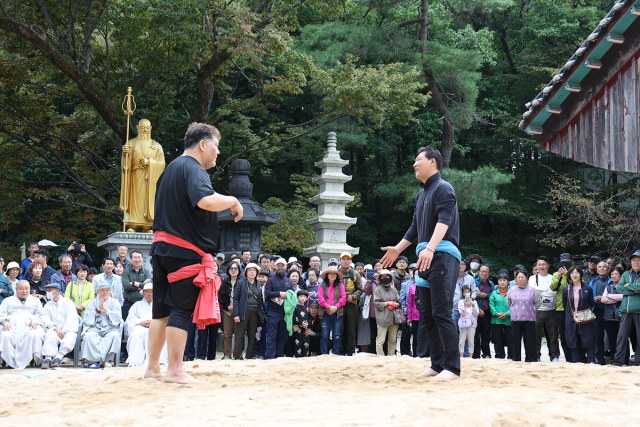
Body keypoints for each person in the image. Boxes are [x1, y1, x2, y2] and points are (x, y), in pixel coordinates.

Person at [381, 146, 461, 381]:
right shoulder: (421, 194)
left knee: (441, 311)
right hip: (425, 255)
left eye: (418, 160)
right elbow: (416, 228)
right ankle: (437, 364)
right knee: (426, 313)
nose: (414, 164)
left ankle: (452, 368)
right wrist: (398, 249)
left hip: (442, 254)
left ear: (433, 162)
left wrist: (430, 247)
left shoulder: (444, 188)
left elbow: (444, 221)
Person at [120, 119, 166, 232]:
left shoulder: (157, 146)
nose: (145, 130)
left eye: (147, 128)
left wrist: (149, 162)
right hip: (135, 177)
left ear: (150, 129)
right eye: (142, 128)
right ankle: (133, 224)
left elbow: (163, 163)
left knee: (148, 200)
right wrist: (126, 154)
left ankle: (147, 225)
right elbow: (125, 166)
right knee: (135, 199)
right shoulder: (130, 143)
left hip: (151, 179)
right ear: (137, 128)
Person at [0, 280, 46, 369]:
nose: (24, 291)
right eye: (21, 289)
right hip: (11, 326)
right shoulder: (7, 300)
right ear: (16, 289)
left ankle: (35, 360)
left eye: (26, 289)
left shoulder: (35, 300)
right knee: (5, 336)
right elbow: (1, 314)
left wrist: (35, 321)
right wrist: (4, 322)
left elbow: (40, 314)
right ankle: (10, 361)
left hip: (30, 325)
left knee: (34, 335)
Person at [125, 283, 168, 367]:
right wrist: (140, 322)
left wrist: (154, 323)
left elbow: (165, 319)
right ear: (143, 293)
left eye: (152, 292)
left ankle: (159, 361)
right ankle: (134, 361)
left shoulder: (161, 305)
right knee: (136, 335)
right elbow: (129, 320)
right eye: (147, 292)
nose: (150, 294)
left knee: (160, 334)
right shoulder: (136, 305)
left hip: (156, 327)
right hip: (139, 327)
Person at [81, 282, 123, 368]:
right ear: (98, 292)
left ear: (110, 291)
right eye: (102, 290)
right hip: (95, 328)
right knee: (88, 336)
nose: (105, 292)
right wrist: (98, 310)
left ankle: (107, 360)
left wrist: (106, 309)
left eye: (107, 290)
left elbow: (118, 318)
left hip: (110, 328)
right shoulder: (92, 303)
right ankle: (93, 361)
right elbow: (87, 319)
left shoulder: (115, 302)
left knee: (115, 335)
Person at [612, 249, 640, 367]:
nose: (636, 263)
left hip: (639, 310)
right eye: (634, 260)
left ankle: (639, 361)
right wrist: (635, 289)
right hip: (625, 310)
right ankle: (618, 361)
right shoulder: (625, 274)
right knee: (622, 336)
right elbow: (619, 288)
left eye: (639, 261)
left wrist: (629, 286)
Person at [562, 266, 596, 364]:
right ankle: (576, 360)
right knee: (572, 338)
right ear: (569, 275)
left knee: (588, 338)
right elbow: (565, 304)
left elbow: (591, 303)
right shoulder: (566, 289)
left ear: (581, 274)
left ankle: (591, 360)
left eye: (577, 273)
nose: (574, 275)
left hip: (585, 317)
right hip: (571, 317)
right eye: (572, 273)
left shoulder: (588, 288)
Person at [41, 282, 78, 369]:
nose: (47, 292)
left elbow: (71, 318)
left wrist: (64, 330)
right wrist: (56, 329)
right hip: (54, 330)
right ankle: (48, 359)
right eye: (47, 290)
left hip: (68, 330)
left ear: (57, 291)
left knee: (71, 337)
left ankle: (58, 358)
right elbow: (45, 319)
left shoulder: (67, 302)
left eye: (50, 290)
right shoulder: (47, 305)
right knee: (50, 336)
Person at [530, 256, 560, 362]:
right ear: (536, 266)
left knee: (553, 335)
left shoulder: (553, 278)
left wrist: (541, 291)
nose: (541, 266)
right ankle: (536, 355)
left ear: (548, 265)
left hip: (551, 310)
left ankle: (554, 356)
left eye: (543, 264)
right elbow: (533, 292)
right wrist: (547, 290)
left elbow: (554, 292)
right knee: (535, 335)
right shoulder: (532, 278)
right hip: (537, 310)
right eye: (539, 264)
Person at [264, 258, 294, 359]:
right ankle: (270, 356)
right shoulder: (271, 280)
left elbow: (292, 296)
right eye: (278, 265)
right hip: (273, 312)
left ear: (286, 267)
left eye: (282, 265)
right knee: (272, 335)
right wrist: (279, 294)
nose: (280, 267)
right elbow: (267, 293)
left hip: (285, 313)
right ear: (275, 267)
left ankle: (279, 355)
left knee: (283, 336)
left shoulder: (289, 281)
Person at [233, 262, 263, 360]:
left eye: (254, 270)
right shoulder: (241, 282)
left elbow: (260, 300)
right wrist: (236, 314)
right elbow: (236, 299)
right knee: (240, 334)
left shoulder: (258, 284)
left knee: (252, 334)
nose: (252, 272)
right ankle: (237, 356)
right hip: (243, 311)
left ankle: (250, 356)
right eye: (250, 270)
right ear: (246, 272)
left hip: (255, 312)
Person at [507, 271, 537, 362]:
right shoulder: (511, 289)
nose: (520, 279)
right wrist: (514, 311)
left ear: (526, 278)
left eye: (522, 277)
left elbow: (537, 302)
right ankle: (516, 359)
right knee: (515, 340)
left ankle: (531, 359)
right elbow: (508, 303)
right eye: (518, 277)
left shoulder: (532, 289)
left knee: (530, 340)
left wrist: (531, 310)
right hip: (516, 318)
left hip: (529, 318)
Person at [338, 252, 363, 356]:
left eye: (347, 259)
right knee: (339, 328)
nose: (345, 261)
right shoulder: (336, 273)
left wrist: (352, 297)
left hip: (351, 304)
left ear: (351, 261)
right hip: (339, 304)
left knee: (351, 329)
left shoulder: (355, 274)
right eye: (343, 259)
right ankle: (339, 350)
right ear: (339, 261)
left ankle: (350, 351)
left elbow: (360, 289)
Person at [602, 266, 628, 365]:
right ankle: (614, 360)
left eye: (616, 274)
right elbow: (603, 300)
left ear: (621, 276)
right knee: (612, 340)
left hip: (623, 317)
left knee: (623, 340)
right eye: (612, 274)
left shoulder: (625, 286)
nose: (614, 276)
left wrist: (610, 296)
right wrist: (616, 298)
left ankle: (625, 361)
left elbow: (624, 297)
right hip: (609, 317)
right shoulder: (608, 287)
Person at [318, 266, 346, 355]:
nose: (333, 275)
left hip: (337, 312)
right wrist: (329, 307)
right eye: (330, 273)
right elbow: (320, 300)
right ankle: (324, 354)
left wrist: (335, 307)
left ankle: (335, 353)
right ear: (327, 275)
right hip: (325, 312)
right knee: (324, 335)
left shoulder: (340, 285)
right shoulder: (322, 285)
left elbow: (343, 299)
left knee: (336, 335)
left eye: (334, 273)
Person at [373, 269, 401, 356]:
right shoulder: (378, 290)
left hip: (393, 318)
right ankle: (381, 357)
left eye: (387, 276)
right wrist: (387, 303)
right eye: (383, 276)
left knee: (392, 340)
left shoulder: (393, 289)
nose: (385, 278)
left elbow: (399, 302)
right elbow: (376, 303)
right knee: (380, 340)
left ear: (390, 278)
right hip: (382, 318)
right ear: (380, 278)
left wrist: (395, 304)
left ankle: (391, 356)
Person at [551, 253, 573, 362]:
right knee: (563, 335)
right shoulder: (555, 274)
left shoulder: (575, 273)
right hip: (560, 309)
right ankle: (568, 358)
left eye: (567, 262)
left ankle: (576, 356)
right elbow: (552, 287)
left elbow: (580, 285)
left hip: (573, 308)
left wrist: (568, 276)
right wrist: (560, 277)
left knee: (574, 333)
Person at [121, 250, 153, 325]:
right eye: (135, 258)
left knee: (144, 324)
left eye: (139, 257)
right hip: (129, 303)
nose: (137, 260)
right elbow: (126, 287)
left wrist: (134, 283)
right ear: (131, 259)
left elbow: (149, 285)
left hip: (143, 304)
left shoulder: (147, 272)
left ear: (142, 259)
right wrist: (141, 286)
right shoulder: (126, 272)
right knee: (127, 325)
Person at [588, 261, 610, 365]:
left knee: (612, 336)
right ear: (597, 270)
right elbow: (589, 298)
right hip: (597, 312)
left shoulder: (611, 281)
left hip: (609, 312)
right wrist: (594, 300)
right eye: (599, 267)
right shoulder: (593, 282)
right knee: (598, 337)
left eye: (604, 267)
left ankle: (615, 358)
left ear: (608, 269)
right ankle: (600, 359)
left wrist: (604, 299)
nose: (602, 269)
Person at [219, 261, 243, 359]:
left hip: (239, 312)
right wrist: (228, 306)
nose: (233, 271)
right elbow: (221, 296)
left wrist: (236, 308)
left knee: (239, 335)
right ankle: (227, 355)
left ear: (238, 270)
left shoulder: (242, 282)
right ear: (228, 270)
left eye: (235, 268)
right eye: (231, 269)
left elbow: (243, 297)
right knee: (227, 334)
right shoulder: (225, 282)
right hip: (227, 311)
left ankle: (238, 355)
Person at [490, 272, 513, 360]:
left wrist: (507, 313)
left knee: (510, 338)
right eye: (500, 280)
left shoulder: (511, 292)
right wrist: (496, 313)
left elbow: (514, 304)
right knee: (497, 338)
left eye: (504, 280)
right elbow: (491, 304)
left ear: (508, 282)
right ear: (498, 282)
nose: (502, 282)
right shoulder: (494, 293)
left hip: (509, 318)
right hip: (496, 318)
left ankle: (511, 355)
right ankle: (499, 355)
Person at [473, 264, 493, 359]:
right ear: (478, 272)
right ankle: (476, 354)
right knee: (475, 334)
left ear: (489, 273)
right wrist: (477, 309)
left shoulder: (491, 284)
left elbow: (493, 296)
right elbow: (468, 294)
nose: (483, 273)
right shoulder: (474, 282)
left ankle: (486, 353)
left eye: (486, 272)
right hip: (475, 312)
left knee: (486, 334)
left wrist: (486, 295)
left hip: (487, 312)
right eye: (482, 271)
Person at [457, 285, 478, 358]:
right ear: (462, 293)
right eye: (465, 293)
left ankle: (470, 356)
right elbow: (461, 313)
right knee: (461, 340)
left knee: (471, 341)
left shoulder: (474, 302)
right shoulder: (460, 302)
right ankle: (461, 356)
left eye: (468, 293)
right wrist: (464, 305)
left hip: (472, 324)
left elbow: (476, 313)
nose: (466, 294)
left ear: (471, 293)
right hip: (463, 323)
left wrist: (473, 305)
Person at [292, 289, 311, 357]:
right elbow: (294, 317)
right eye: (301, 296)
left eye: (305, 297)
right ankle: (298, 358)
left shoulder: (307, 308)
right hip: (298, 330)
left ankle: (305, 358)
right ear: (297, 297)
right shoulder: (295, 307)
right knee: (298, 344)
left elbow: (310, 318)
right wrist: (301, 323)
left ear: (307, 298)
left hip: (306, 330)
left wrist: (307, 323)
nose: (303, 298)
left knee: (306, 345)